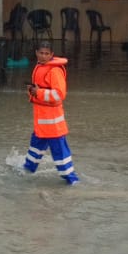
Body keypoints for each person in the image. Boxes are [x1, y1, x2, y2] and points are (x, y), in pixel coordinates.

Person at [22, 41, 79, 185]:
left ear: (51, 55)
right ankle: (27, 170)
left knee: (59, 151)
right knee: (35, 146)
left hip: (52, 122)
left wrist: (38, 92)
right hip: (42, 120)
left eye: (46, 53)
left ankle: (71, 179)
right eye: (41, 53)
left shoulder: (54, 70)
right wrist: (34, 91)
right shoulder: (41, 67)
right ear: (36, 53)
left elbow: (60, 94)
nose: (43, 55)